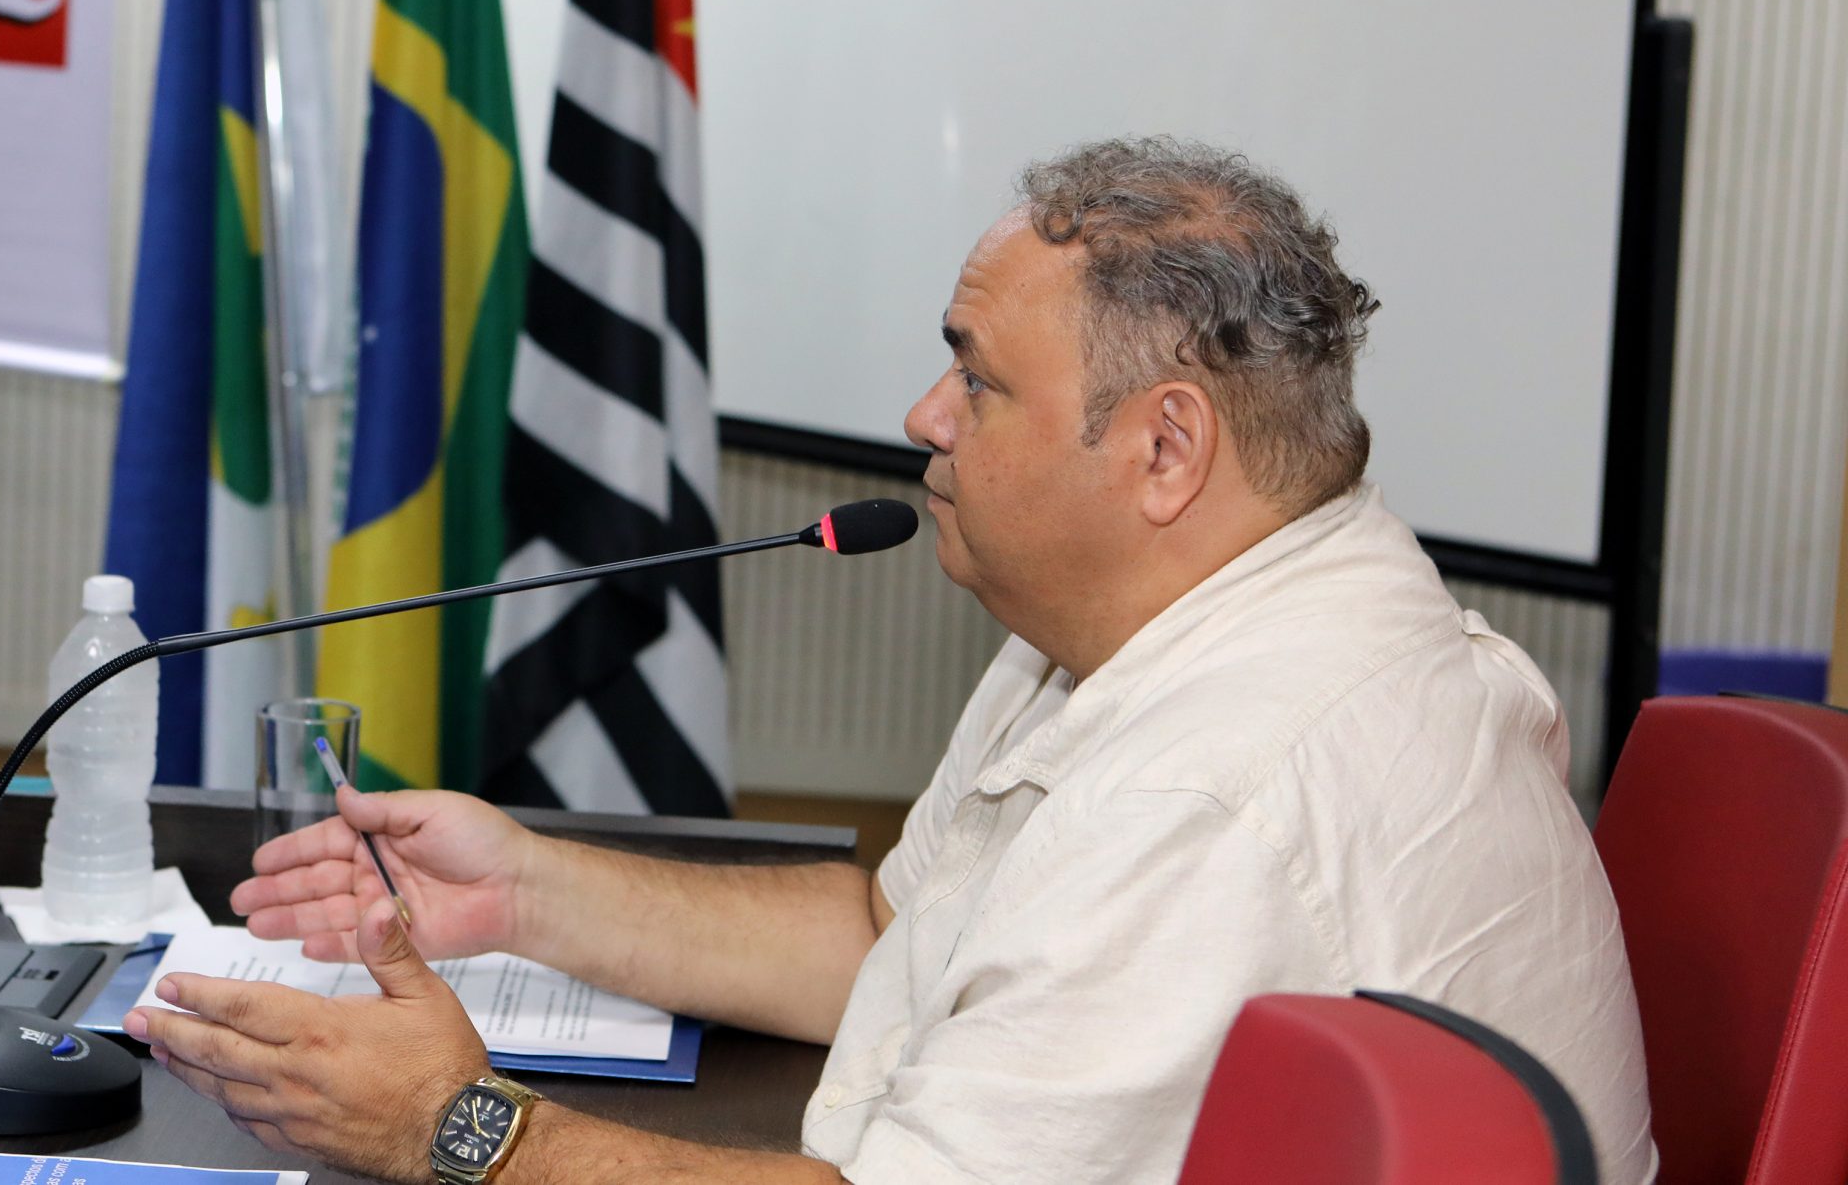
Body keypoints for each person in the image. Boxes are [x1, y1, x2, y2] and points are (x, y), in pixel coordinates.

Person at [126, 137, 1656, 1185]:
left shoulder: (1221, 791)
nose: (927, 416)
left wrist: (456, 1129)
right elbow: (907, 937)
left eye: (979, 381)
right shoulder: (1172, 619)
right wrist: (529, 893)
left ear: (1163, 447)